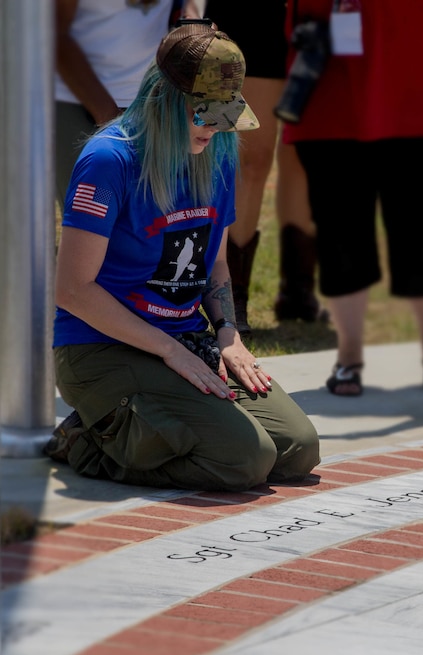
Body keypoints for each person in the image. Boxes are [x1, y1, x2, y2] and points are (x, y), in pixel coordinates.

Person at [46, 20, 321, 491]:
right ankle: (86, 439)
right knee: (242, 459)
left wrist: (229, 336)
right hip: (102, 349)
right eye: (205, 113)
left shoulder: (219, 153)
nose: (216, 129)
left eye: (225, 114)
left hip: (184, 341)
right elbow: (73, 289)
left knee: (296, 447)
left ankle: (142, 424)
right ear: (166, 99)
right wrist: (170, 351)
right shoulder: (109, 159)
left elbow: (213, 260)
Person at [284, 0, 423, 395]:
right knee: (339, 229)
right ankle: (349, 355)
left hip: (415, 82)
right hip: (331, 84)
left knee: (420, 227)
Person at [203, 0, 324, 334]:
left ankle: (298, 290)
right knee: (250, 157)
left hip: (321, 16)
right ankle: (231, 296)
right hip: (254, 17)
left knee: (306, 155)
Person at [53, 0, 176, 205]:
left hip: (152, 102)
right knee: (91, 217)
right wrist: (110, 117)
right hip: (76, 102)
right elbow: (54, 33)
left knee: (143, 222)